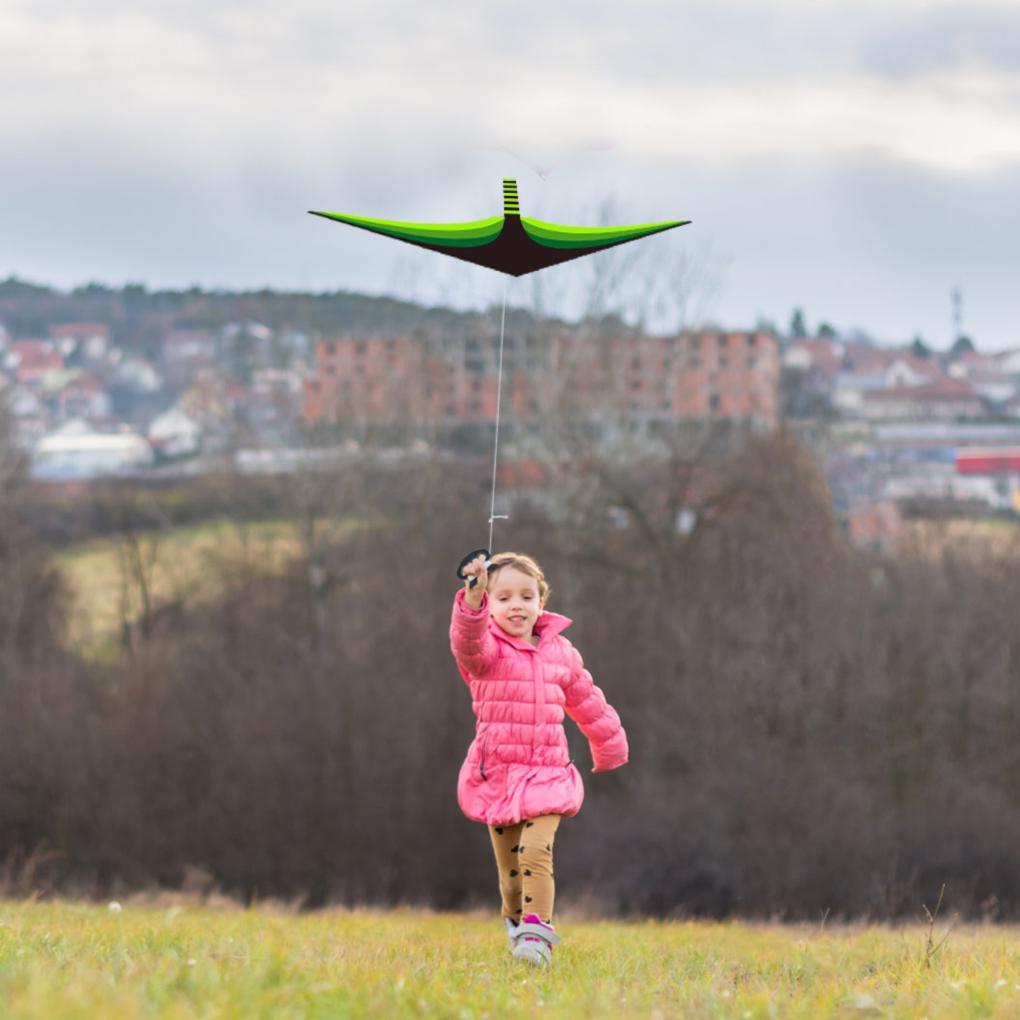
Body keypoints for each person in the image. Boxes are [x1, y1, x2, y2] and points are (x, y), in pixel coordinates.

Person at [450, 551, 628, 965]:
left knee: (534, 853)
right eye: (504, 597)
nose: (517, 605)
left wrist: (610, 745)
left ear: (541, 602)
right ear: (490, 604)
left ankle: (538, 936)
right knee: (511, 874)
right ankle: (517, 929)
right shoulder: (486, 650)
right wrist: (472, 602)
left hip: (548, 773)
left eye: (527, 596)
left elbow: (588, 702)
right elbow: (466, 642)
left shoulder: (560, 652)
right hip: (498, 773)